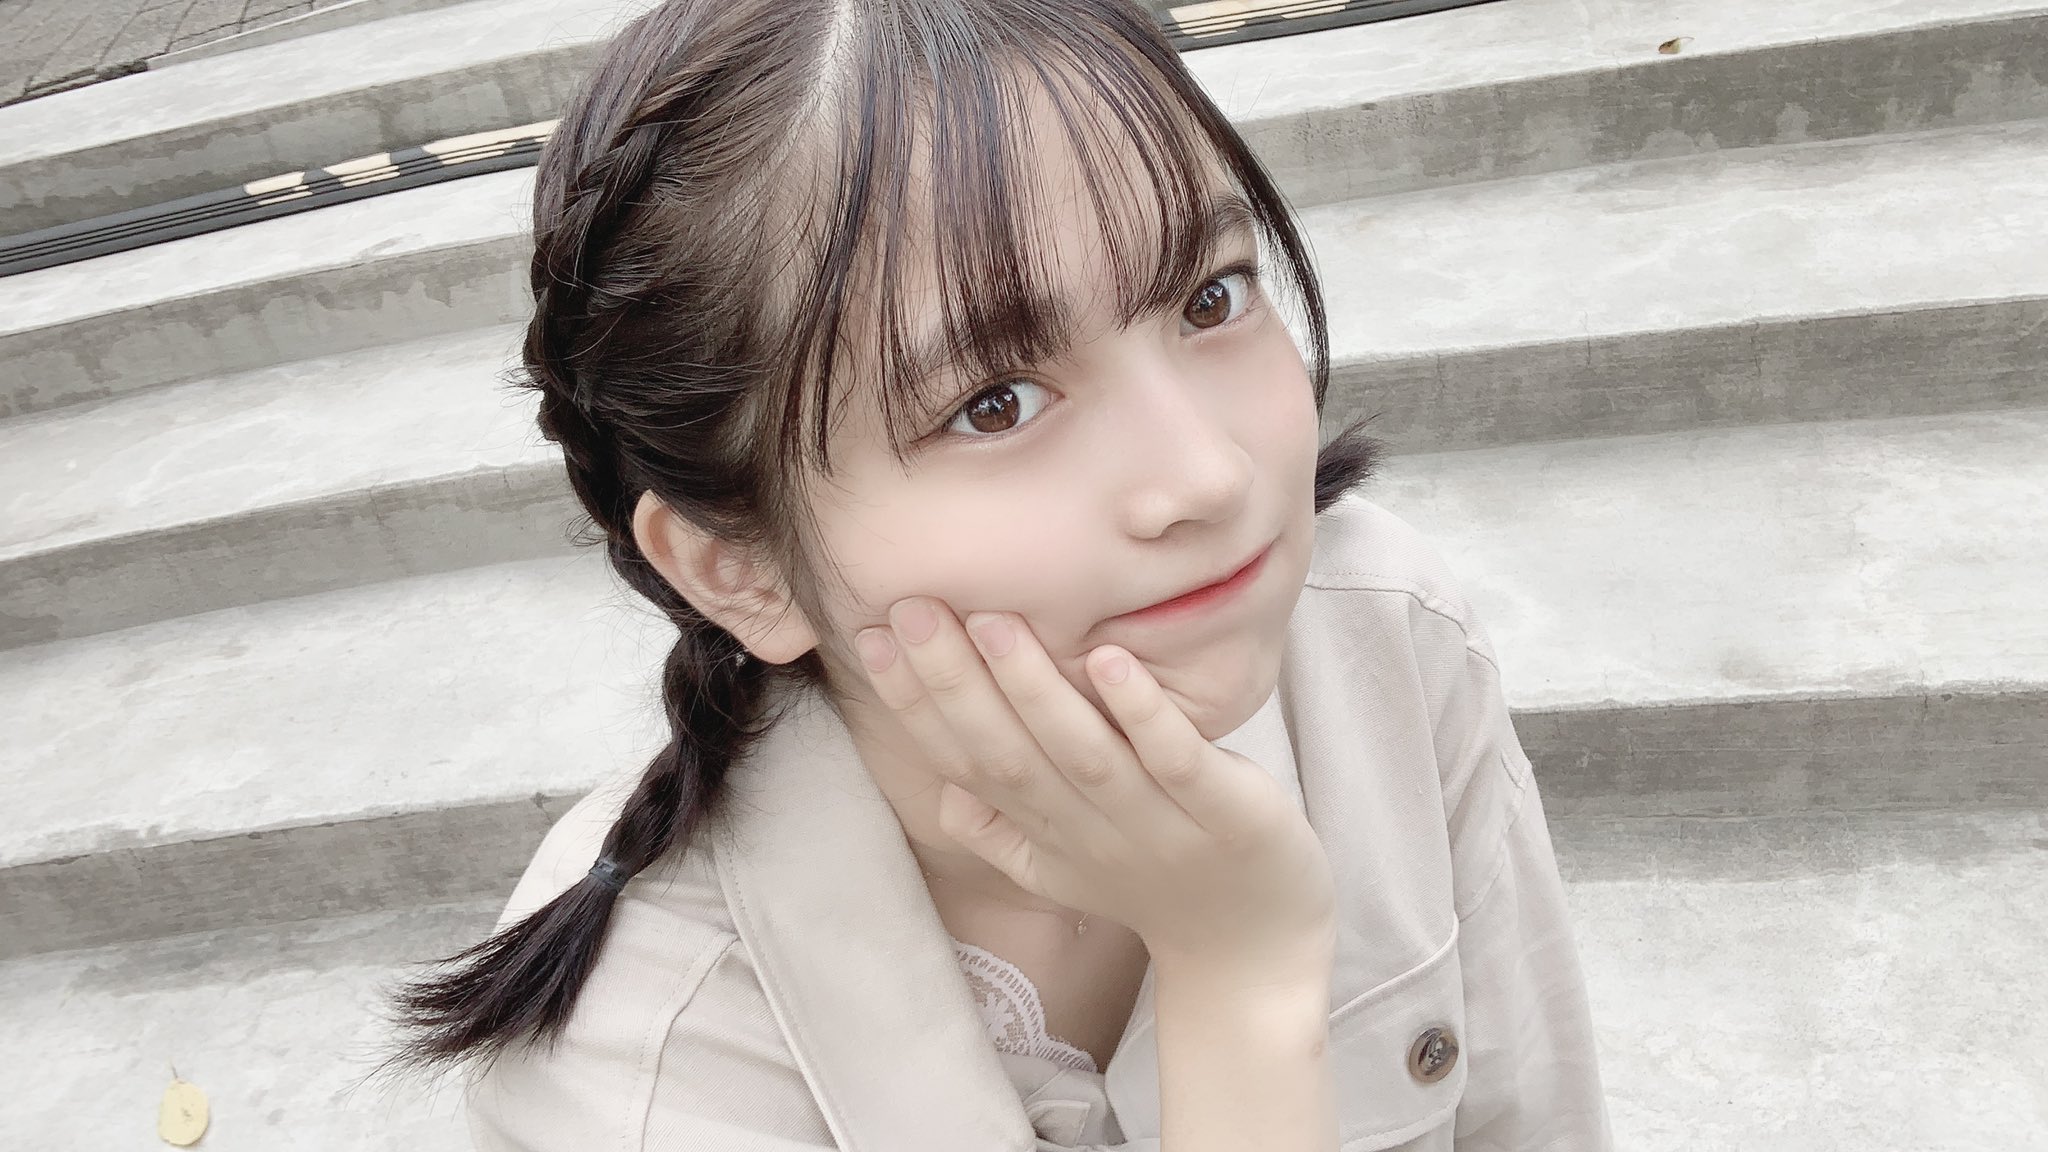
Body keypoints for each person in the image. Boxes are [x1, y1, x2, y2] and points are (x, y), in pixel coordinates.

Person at [386, 0, 1613, 1148]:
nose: (1206, 473)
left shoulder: (1379, 638)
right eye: (994, 404)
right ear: (739, 568)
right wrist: (1237, 976)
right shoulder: (639, 1071)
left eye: (1210, 297)